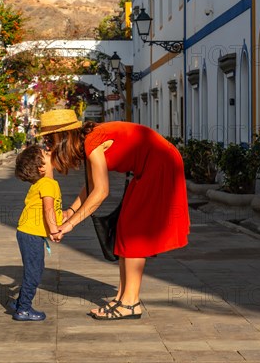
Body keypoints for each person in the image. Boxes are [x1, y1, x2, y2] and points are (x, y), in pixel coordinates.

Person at [39, 109, 190, 320]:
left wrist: (70, 224)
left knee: (134, 232)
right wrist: (70, 212)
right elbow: (91, 186)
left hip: (160, 164)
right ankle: (122, 297)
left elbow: (101, 192)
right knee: (124, 228)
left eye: (48, 139)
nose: (47, 144)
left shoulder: (92, 142)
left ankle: (130, 303)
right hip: (150, 165)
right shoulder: (88, 141)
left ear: (61, 137)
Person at [12, 145, 63, 321]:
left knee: (35, 269)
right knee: (34, 272)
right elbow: (48, 209)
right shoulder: (48, 184)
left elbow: (51, 210)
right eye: (47, 154)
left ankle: (20, 302)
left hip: (28, 233)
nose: (51, 154)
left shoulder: (42, 183)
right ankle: (23, 309)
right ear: (41, 168)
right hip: (30, 234)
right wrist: (54, 230)